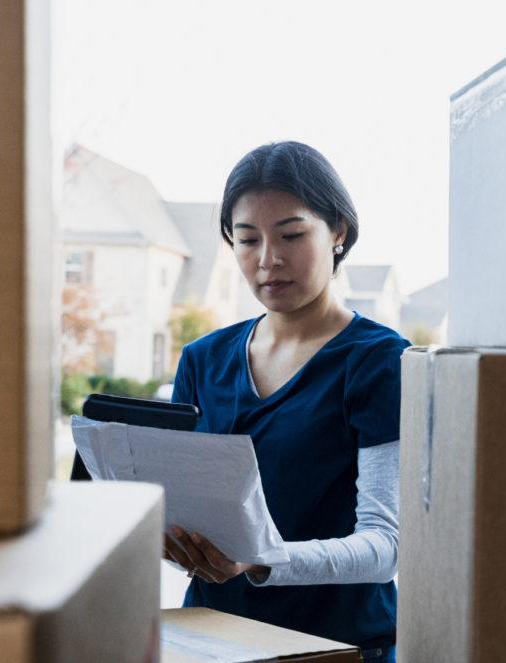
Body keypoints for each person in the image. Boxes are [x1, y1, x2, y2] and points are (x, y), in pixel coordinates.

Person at [162, 141, 408, 663]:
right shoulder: (203, 360)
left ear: (338, 232)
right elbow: (187, 520)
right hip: (210, 640)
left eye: (291, 235)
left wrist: (260, 560)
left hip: (337, 648)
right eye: (247, 240)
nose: (268, 260)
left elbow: (385, 546)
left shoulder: (380, 361)